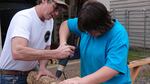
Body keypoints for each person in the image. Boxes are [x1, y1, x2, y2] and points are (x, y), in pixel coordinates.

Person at [0, 0, 75, 84]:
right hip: (10, 77)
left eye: (60, 10)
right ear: (44, 1)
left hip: (29, 74)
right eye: (55, 7)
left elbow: (46, 46)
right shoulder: (24, 17)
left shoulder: (49, 21)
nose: (57, 13)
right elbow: (17, 52)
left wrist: (42, 67)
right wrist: (56, 53)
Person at [58, 1, 131, 84]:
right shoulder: (87, 24)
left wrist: (80, 81)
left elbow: (113, 68)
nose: (88, 34)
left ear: (102, 24)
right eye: (86, 31)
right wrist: (63, 44)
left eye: (91, 31)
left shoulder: (118, 34)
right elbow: (65, 25)